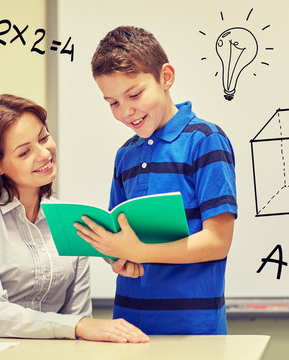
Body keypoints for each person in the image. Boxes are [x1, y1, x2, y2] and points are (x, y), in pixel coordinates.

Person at [0, 94, 148, 343]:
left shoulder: (69, 218)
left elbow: (78, 316)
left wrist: (82, 327)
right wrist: (80, 326)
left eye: (43, 138)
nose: (44, 154)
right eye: (24, 152)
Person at [74, 26, 237, 335]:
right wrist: (118, 257)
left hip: (193, 331)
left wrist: (139, 251)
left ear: (166, 77)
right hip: (129, 325)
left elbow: (217, 242)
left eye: (134, 94)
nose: (126, 111)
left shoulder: (205, 140)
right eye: (113, 103)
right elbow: (120, 237)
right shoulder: (126, 155)